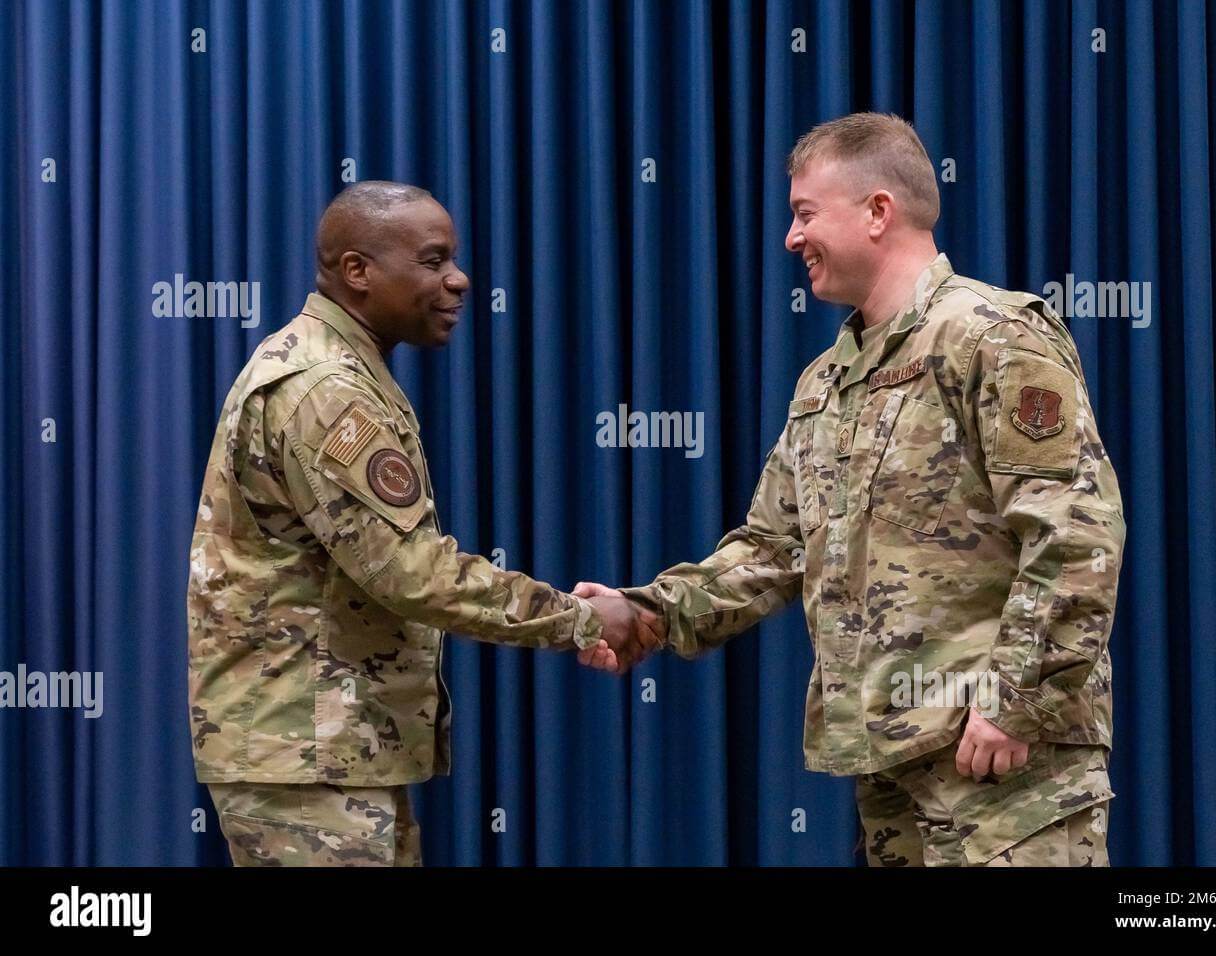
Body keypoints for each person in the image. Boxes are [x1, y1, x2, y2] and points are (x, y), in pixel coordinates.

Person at [577, 113, 1125, 867]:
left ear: (877, 212)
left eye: (805, 214)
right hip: (890, 772)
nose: (790, 238)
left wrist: (1016, 701)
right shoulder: (826, 384)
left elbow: (1076, 535)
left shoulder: (993, 336)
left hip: (1007, 778)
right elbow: (771, 548)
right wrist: (647, 612)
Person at [188, 181, 659, 866]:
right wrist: (582, 620)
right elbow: (414, 575)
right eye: (434, 261)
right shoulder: (326, 390)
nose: (459, 279)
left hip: (325, 749)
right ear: (358, 271)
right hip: (308, 756)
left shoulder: (337, 369)